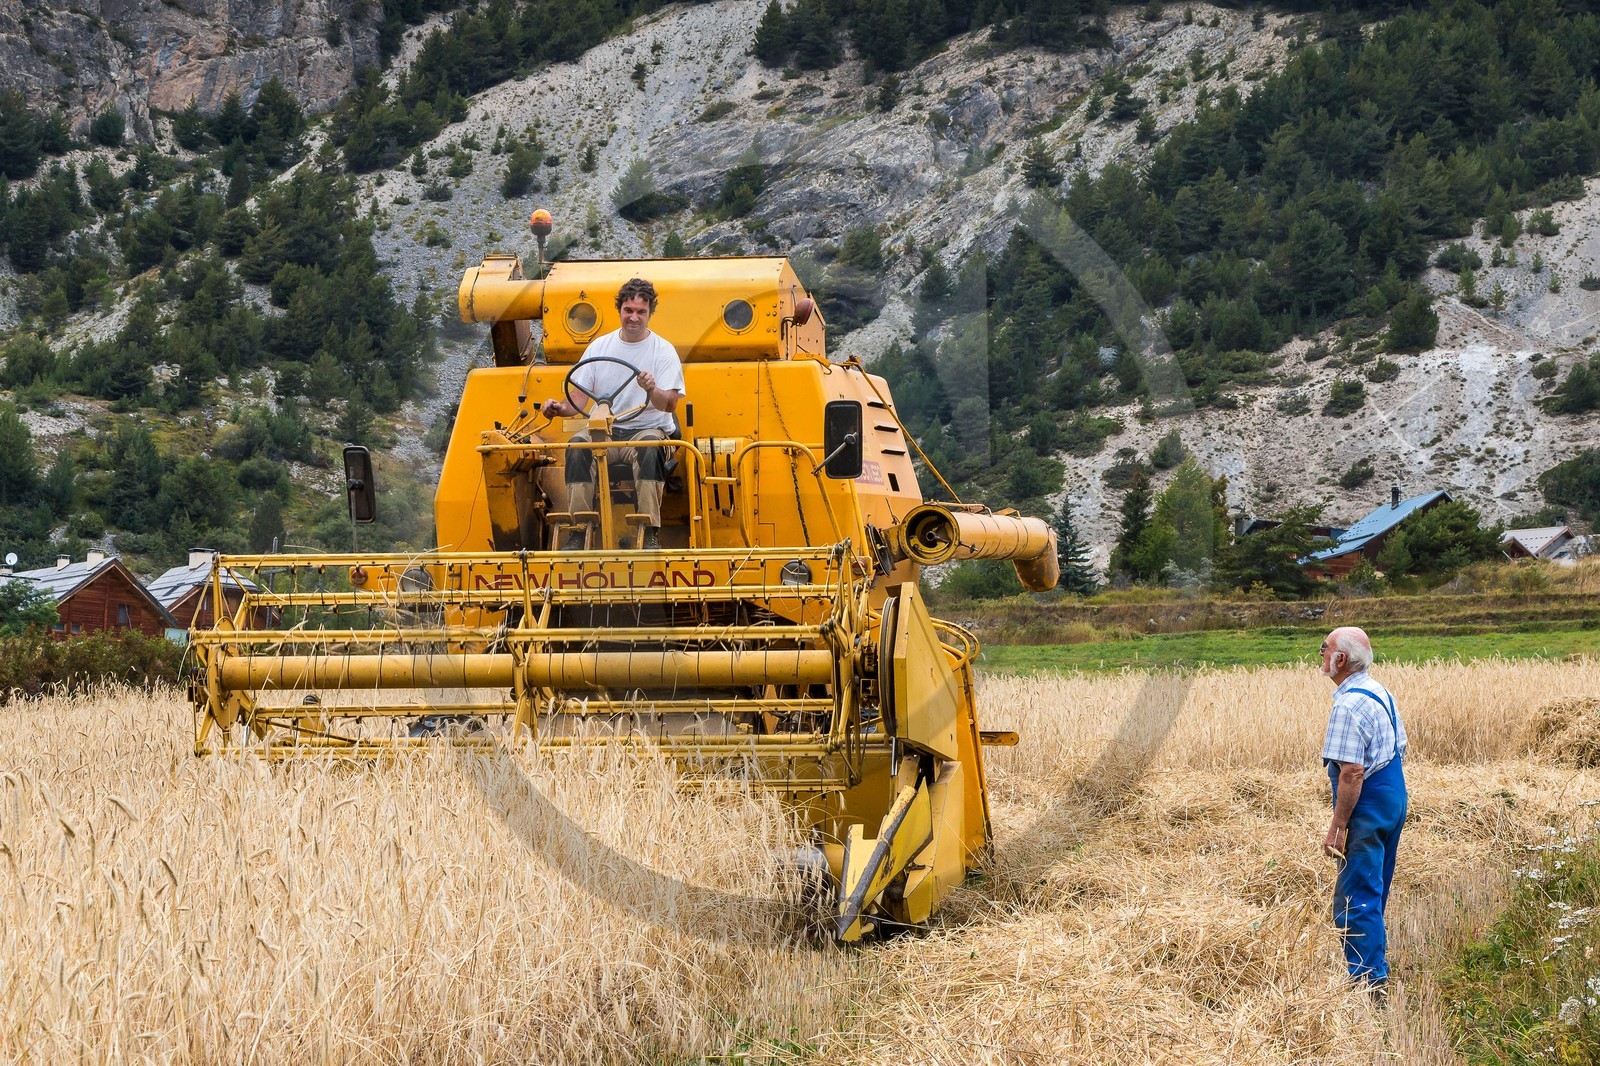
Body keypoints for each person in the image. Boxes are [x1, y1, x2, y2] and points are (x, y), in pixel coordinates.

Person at [540, 278, 685, 549]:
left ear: (650, 313)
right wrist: (559, 409)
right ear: (619, 310)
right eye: (628, 310)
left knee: (649, 445)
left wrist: (651, 389)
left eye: (641, 311)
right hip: (606, 434)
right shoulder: (599, 348)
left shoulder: (663, 351)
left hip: (646, 429)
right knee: (577, 446)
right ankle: (580, 530)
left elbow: (669, 404)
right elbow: (579, 399)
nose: (634, 317)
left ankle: (649, 531)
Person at [1318, 625, 1408, 994]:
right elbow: (1401, 746)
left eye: (1324, 650)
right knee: (1376, 889)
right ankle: (1375, 965)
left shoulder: (1347, 704)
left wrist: (1338, 824)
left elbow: (1352, 772)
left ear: (1340, 659)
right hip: (1393, 796)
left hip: (1367, 804)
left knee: (1355, 897)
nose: (1320, 656)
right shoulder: (1379, 691)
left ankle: (1369, 984)